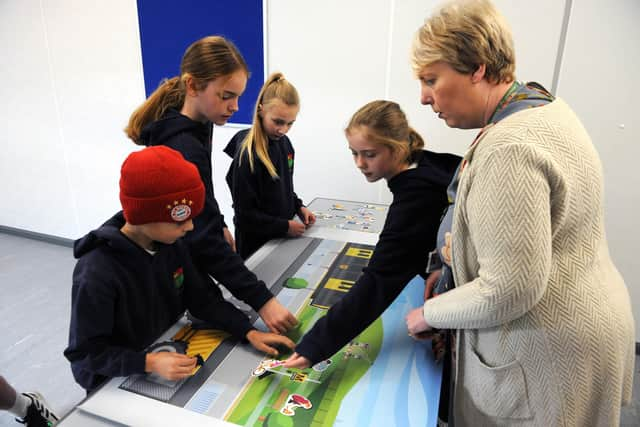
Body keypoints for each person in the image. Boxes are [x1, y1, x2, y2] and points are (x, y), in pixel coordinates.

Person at [404, 1, 635, 426]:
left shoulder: (508, 147)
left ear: (476, 67)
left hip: (548, 354)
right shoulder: (541, 105)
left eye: (431, 79)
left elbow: (509, 289)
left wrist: (429, 314)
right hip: (587, 324)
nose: (423, 97)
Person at [64, 146, 295, 393]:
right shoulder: (96, 272)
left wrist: (247, 331)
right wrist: (147, 362)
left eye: (192, 217)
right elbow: (84, 353)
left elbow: (203, 299)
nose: (190, 226)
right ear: (144, 216)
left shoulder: (171, 242)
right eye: (180, 220)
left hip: (162, 350)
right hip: (112, 380)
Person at [124, 36, 297, 334]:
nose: (234, 107)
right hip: (176, 266)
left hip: (188, 253)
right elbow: (200, 237)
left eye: (239, 97)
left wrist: (217, 223)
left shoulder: (199, 121)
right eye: (226, 96)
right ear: (193, 86)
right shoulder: (183, 145)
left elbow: (202, 194)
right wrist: (263, 301)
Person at [283, 100, 460, 368]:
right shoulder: (430, 163)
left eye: (369, 154)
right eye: (353, 153)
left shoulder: (415, 195)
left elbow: (380, 278)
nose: (359, 163)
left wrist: (317, 344)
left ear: (397, 147)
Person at [224, 72, 315, 259]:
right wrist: (285, 227)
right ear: (261, 110)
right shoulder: (247, 154)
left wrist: (299, 207)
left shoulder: (285, 144)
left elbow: (283, 188)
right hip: (254, 247)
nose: (283, 130)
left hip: (280, 239)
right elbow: (244, 216)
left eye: (290, 123)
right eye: (278, 122)